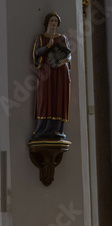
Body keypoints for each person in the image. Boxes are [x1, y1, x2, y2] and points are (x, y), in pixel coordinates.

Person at [31, 12, 71, 140]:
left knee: (59, 97)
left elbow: (68, 54)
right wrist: (48, 46)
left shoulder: (62, 38)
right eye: (51, 21)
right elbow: (37, 52)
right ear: (47, 23)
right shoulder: (41, 38)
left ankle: (57, 129)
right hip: (46, 71)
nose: (54, 23)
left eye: (55, 21)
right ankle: (43, 128)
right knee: (45, 97)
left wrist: (66, 60)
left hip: (60, 71)